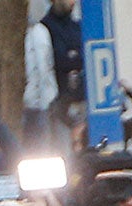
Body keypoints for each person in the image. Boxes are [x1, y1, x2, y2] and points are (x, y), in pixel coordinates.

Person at [23, 0, 84, 146]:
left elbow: (82, 58)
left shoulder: (77, 27)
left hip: (80, 101)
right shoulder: (45, 28)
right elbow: (59, 61)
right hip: (58, 105)